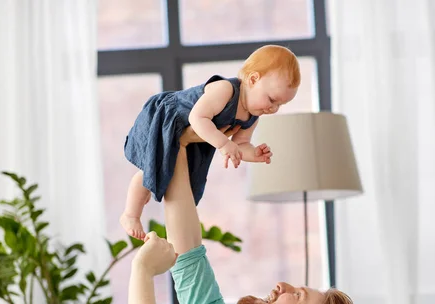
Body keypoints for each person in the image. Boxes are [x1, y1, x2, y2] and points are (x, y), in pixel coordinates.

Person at [36, 127, 357, 304]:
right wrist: (179, 143)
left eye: (297, 295)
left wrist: (143, 270)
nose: (281, 286)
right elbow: (188, 256)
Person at [120, 44, 301, 240]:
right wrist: (223, 144)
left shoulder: (253, 115)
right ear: (253, 79)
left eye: (280, 105)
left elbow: (240, 144)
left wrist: (253, 154)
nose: (273, 108)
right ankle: (130, 214)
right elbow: (198, 118)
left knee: (174, 177)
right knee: (153, 168)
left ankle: (146, 192)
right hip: (171, 119)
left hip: (200, 139)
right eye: (272, 99)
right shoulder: (225, 90)